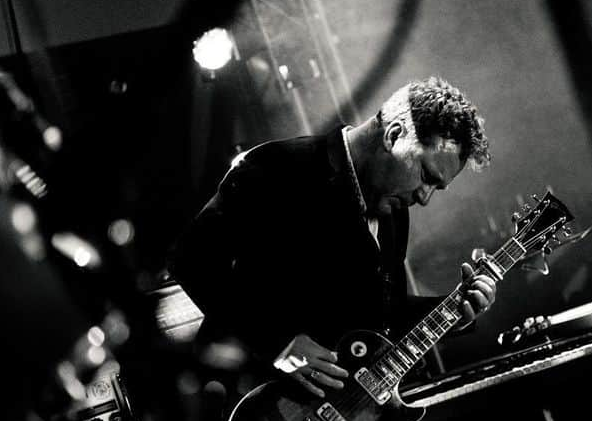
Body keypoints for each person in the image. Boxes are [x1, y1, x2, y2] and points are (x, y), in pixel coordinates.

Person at [169, 76, 497, 400]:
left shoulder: (394, 212)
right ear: (394, 135)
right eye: (426, 176)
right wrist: (278, 344)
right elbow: (191, 258)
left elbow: (384, 317)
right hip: (239, 405)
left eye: (436, 188)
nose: (425, 198)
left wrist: (454, 310)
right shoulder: (281, 167)